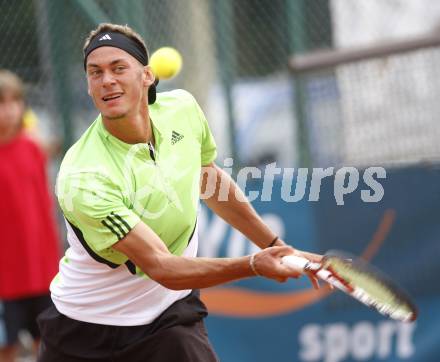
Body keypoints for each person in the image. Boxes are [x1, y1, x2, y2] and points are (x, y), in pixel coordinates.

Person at [37, 23, 322, 362]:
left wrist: (274, 247)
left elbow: (209, 181)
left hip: (168, 319)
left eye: (118, 68)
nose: (107, 80)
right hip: (85, 332)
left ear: (147, 76)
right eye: (95, 72)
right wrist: (254, 265)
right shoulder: (84, 175)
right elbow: (162, 266)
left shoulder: (182, 111)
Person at [0, 70, 61, 362]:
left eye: (15, 101)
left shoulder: (33, 147)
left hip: (42, 271)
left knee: (49, 344)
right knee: (7, 349)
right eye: (1, 103)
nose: (9, 110)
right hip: (6, 278)